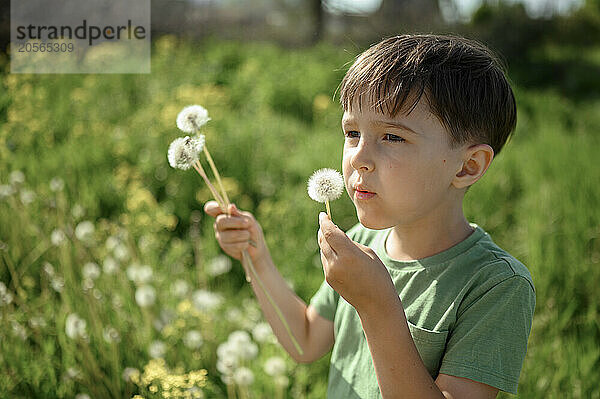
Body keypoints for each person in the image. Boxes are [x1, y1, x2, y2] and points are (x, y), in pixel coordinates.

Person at [204, 34, 535, 398]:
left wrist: (377, 307)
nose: (359, 157)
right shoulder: (360, 245)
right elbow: (305, 341)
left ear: (467, 166)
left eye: (392, 137)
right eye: (352, 132)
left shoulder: (496, 285)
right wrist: (256, 258)